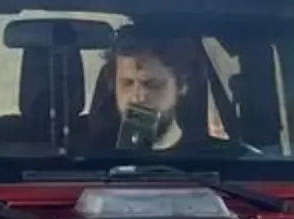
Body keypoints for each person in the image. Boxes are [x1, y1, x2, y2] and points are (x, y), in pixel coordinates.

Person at [83, 30, 214, 154]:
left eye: (152, 84)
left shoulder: (212, 160)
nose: (137, 98)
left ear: (181, 86)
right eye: (127, 83)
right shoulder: (85, 160)